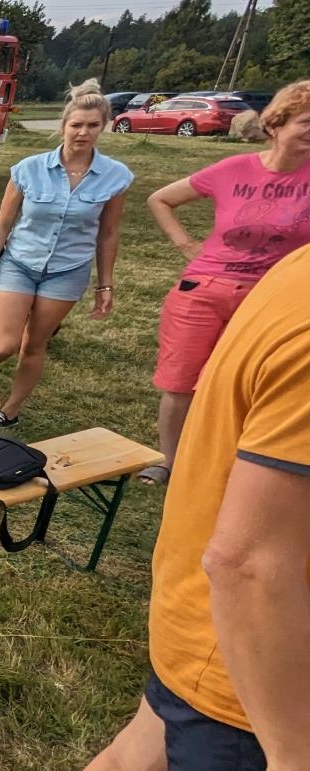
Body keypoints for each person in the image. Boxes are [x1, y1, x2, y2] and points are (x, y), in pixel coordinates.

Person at [0, 242, 310, 771]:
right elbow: (252, 564)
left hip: (210, 629)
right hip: (257, 658)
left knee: (138, 761)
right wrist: (294, 762)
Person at [137, 79, 310, 485]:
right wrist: (185, 244)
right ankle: (170, 461)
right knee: (180, 381)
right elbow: (160, 198)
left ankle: (235, 463)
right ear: (278, 124)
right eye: (306, 121)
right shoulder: (233, 169)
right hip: (204, 289)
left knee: (245, 382)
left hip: (272, 299)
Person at [0, 80, 132, 430]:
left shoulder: (115, 177)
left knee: (33, 345)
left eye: (92, 125)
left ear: (103, 127)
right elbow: (3, 224)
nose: (83, 133)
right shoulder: (29, 169)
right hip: (20, 263)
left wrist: (105, 285)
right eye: (76, 125)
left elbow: (108, 234)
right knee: (4, 344)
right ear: (63, 126)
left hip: (67, 270)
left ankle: (9, 411)